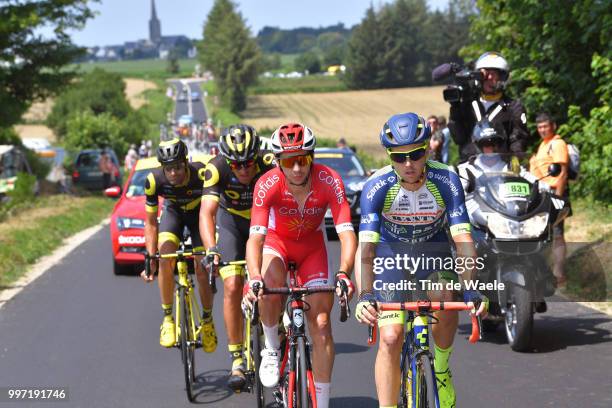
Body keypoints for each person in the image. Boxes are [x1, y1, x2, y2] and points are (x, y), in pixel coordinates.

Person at [356, 112, 488, 408]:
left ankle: (440, 367)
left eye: (415, 155)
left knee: (445, 294)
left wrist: (471, 291)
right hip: (391, 259)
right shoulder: (377, 187)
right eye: (399, 157)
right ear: (389, 156)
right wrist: (365, 294)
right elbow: (365, 251)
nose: (408, 164)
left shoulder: (446, 180)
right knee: (390, 337)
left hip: (434, 254)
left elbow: (463, 242)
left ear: (428, 148)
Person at [244, 123, 357, 408]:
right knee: (269, 288)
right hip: (277, 243)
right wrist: (254, 275)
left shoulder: (329, 181)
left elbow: (346, 234)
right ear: (278, 162)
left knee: (320, 325)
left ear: (312, 157)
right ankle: (271, 347)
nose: (296, 168)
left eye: (303, 159)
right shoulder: (266, 184)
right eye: (288, 161)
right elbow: (254, 240)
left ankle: (322, 400)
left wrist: (344, 272)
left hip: (312, 249)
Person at [199, 124, 276, 390]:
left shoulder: (268, 162)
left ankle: (278, 337)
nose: (243, 170)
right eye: (237, 165)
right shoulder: (216, 167)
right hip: (231, 222)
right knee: (231, 285)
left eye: (248, 163)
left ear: (257, 156)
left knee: (273, 280)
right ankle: (237, 359)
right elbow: (207, 212)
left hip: (263, 222)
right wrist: (211, 249)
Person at [140, 138, 217, 354]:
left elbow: (212, 211)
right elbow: (151, 222)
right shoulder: (153, 180)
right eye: (168, 169)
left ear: (185, 162)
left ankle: (208, 320)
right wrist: (150, 257)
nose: (173, 173)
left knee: (202, 268)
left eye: (177, 167)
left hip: (197, 216)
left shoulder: (202, 173)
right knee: (165, 260)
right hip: (173, 214)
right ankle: (168, 319)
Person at [447, 51, 530, 162]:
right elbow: (459, 138)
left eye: (494, 74)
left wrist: (514, 159)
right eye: (486, 74)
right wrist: (455, 109)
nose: (489, 77)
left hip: (500, 169)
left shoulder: (513, 107)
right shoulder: (468, 104)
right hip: (470, 167)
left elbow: (519, 138)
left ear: (502, 77)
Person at [529, 113, 569, 287]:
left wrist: (558, 198)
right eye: (539, 127)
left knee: (557, 234)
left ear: (553, 126)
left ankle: (559, 273)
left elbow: (562, 173)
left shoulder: (557, 144)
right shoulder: (543, 145)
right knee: (543, 234)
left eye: (545, 126)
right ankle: (544, 272)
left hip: (554, 193)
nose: (542, 130)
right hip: (542, 194)